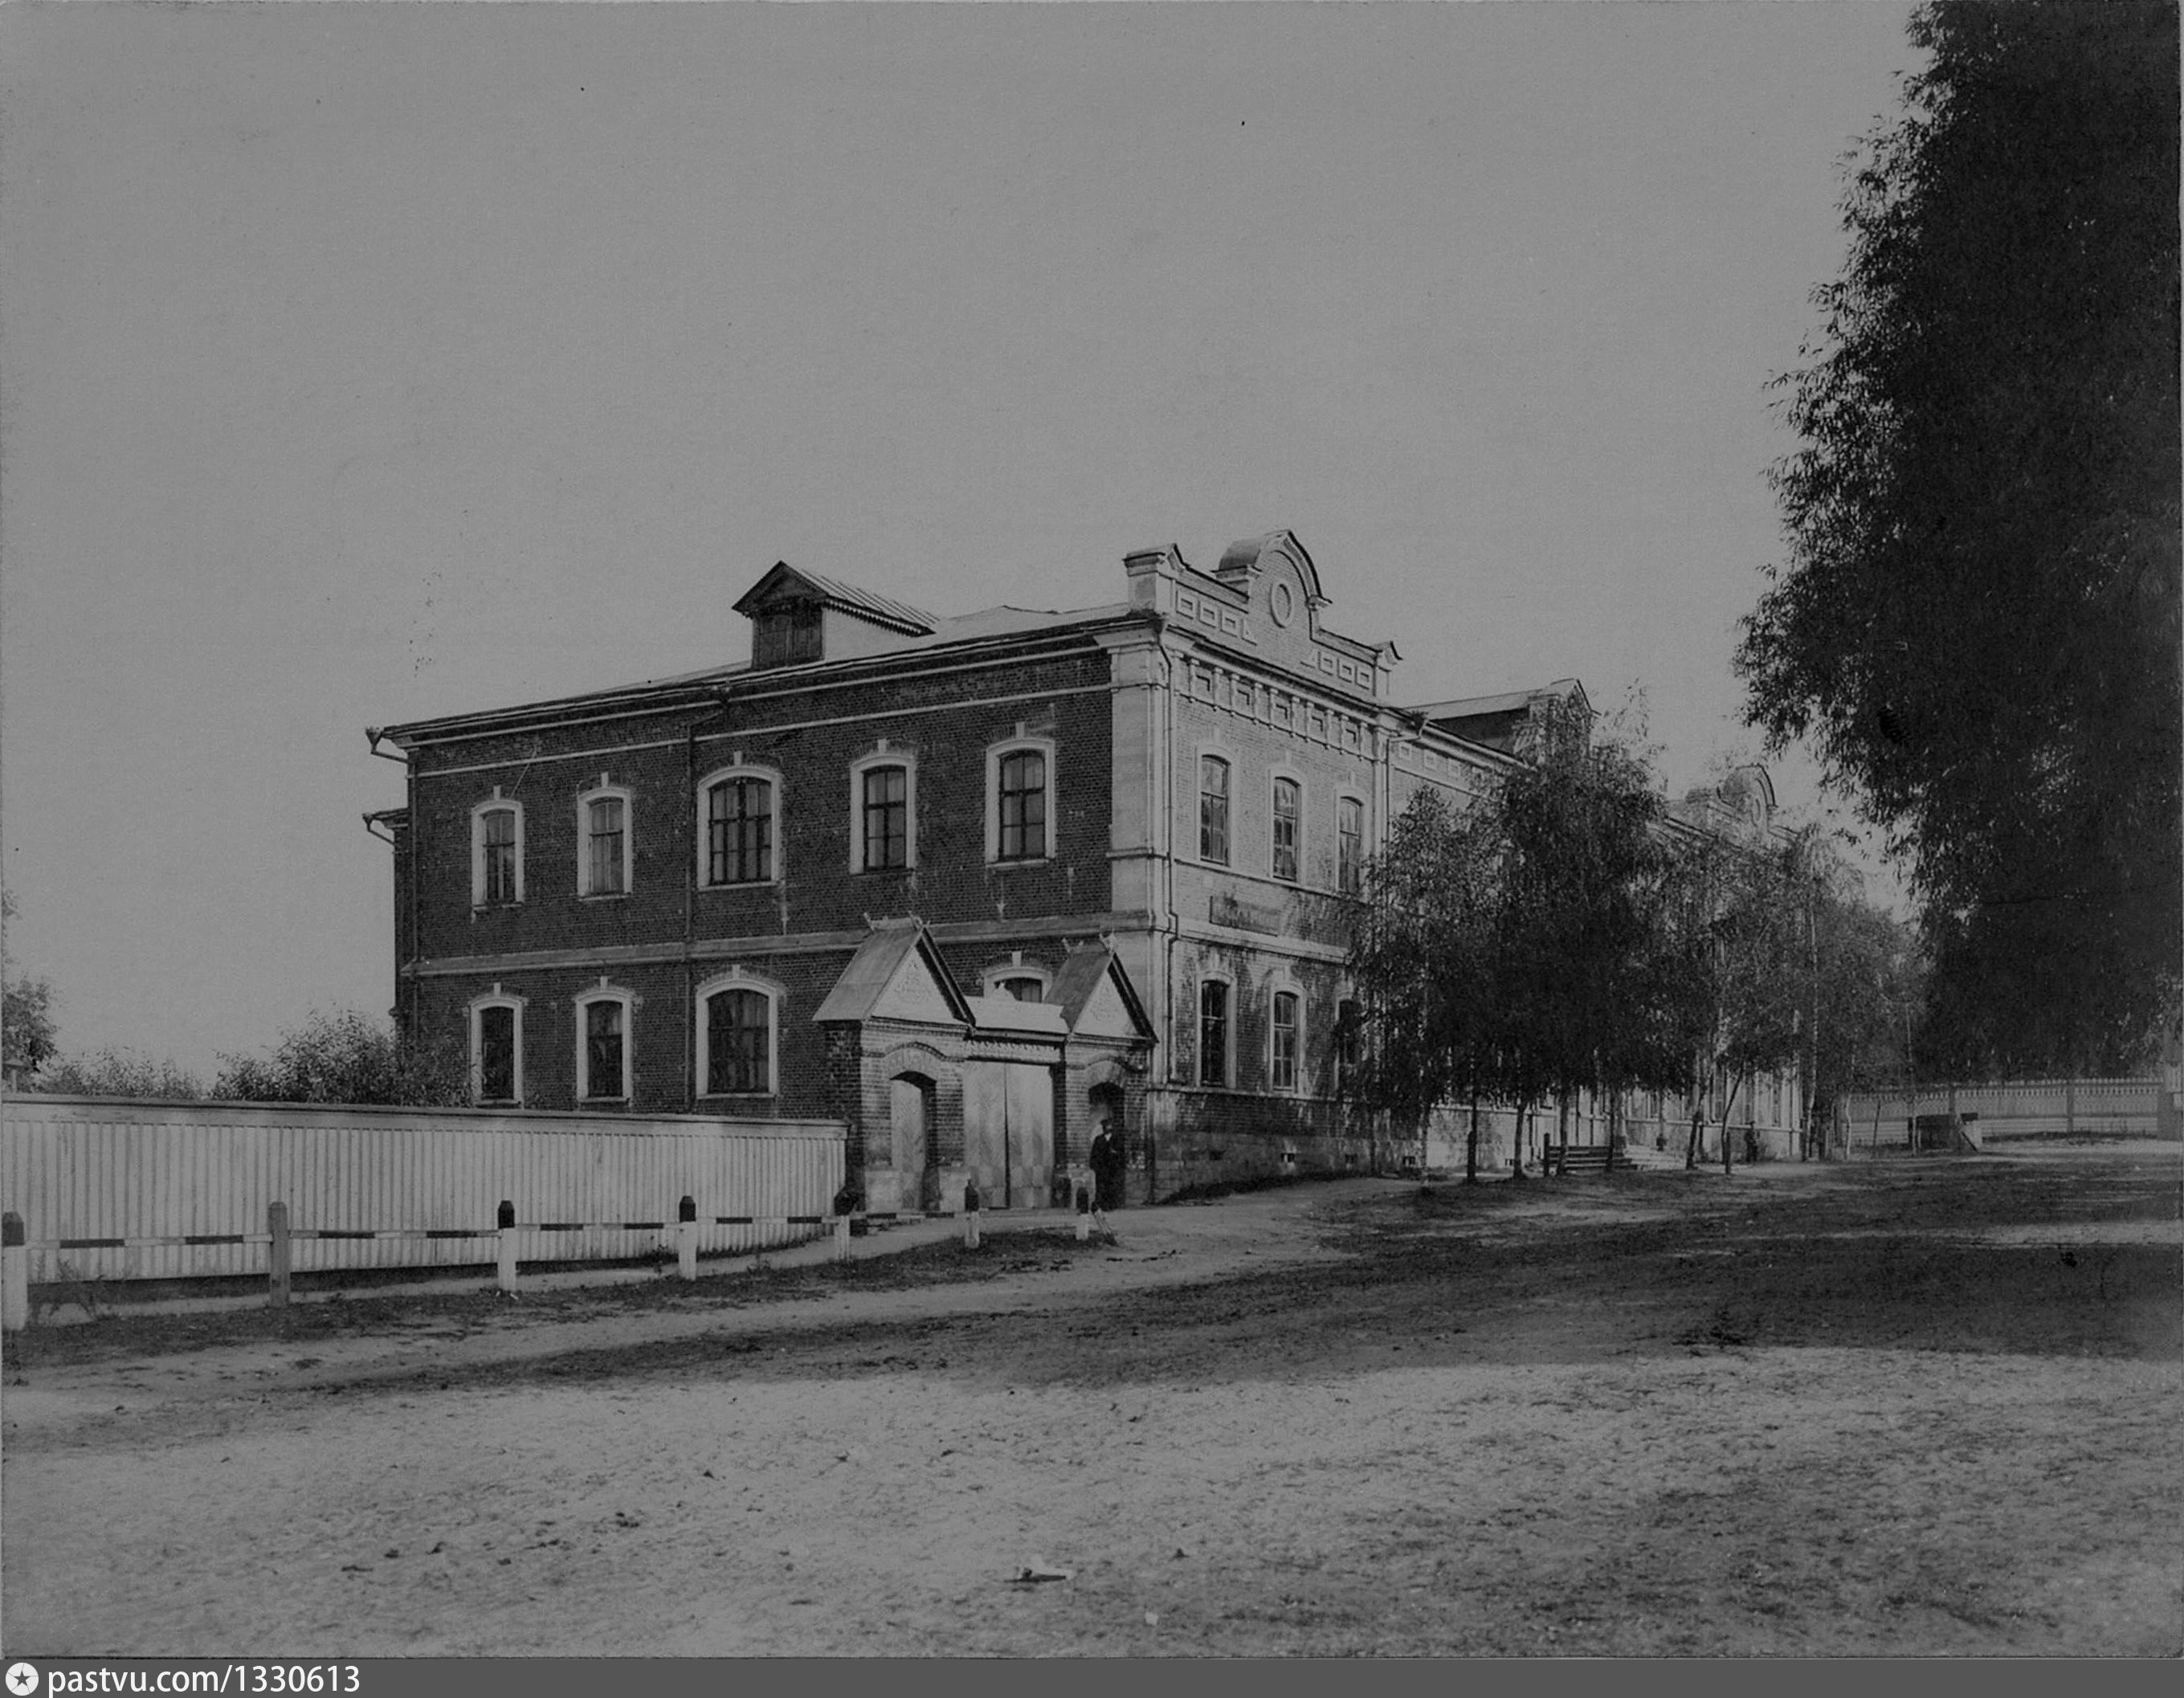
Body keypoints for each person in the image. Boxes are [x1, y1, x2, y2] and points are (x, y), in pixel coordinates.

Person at [1088, 1116, 1126, 1232]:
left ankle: (1110, 1205)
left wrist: (1116, 1157)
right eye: (1105, 1126)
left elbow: (1122, 1155)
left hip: (1113, 1169)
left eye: (1109, 1126)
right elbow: (1094, 1154)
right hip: (1101, 1169)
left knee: (1111, 1186)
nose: (1107, 1128)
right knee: (1101, 1187)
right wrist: (1094, 1166)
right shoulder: (1099, 1139)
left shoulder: (1117, 1140)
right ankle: (1100, 1205)